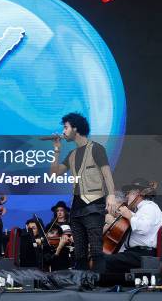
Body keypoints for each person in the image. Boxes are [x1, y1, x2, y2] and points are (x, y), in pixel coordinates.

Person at [50, 113, 116, 271]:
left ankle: (99, 288)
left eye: (66, 127)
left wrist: (111, 195)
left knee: (95, 250)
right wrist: (57, 150)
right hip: (77, 207)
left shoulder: (96, 148)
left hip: (94, 206)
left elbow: (107, 174)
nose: (63, 131)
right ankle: (81, 285)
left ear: (75, 128)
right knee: (79, 252)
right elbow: (53, 174)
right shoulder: (71, 154)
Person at [103, 178, 162, 273]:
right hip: (134, 254)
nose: (127, 196)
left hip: (143, 255)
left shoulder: (149, 207)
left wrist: (129, 216)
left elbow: (143, 228)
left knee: (103, 261)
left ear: (137, 193)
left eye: (129, 193)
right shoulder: (140, 210)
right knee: (104, 258)